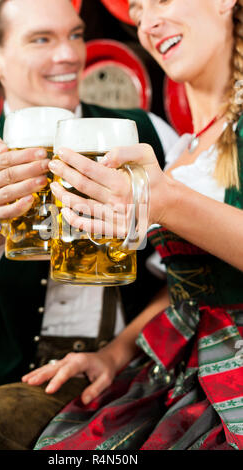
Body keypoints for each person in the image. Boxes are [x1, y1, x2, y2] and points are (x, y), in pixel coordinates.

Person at [0, 0, 177, 450]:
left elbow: (188, 277)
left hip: (133, 373)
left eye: (74, 34)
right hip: (12, 384)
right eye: (41, 39)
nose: (70, 54)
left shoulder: (146, 132)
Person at [26, 0, 243, 450]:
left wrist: (168, 202)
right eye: (139, 10)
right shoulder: (186, 149)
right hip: (181, 368)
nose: (148, 22)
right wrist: (115, 351)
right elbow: (196, 289)